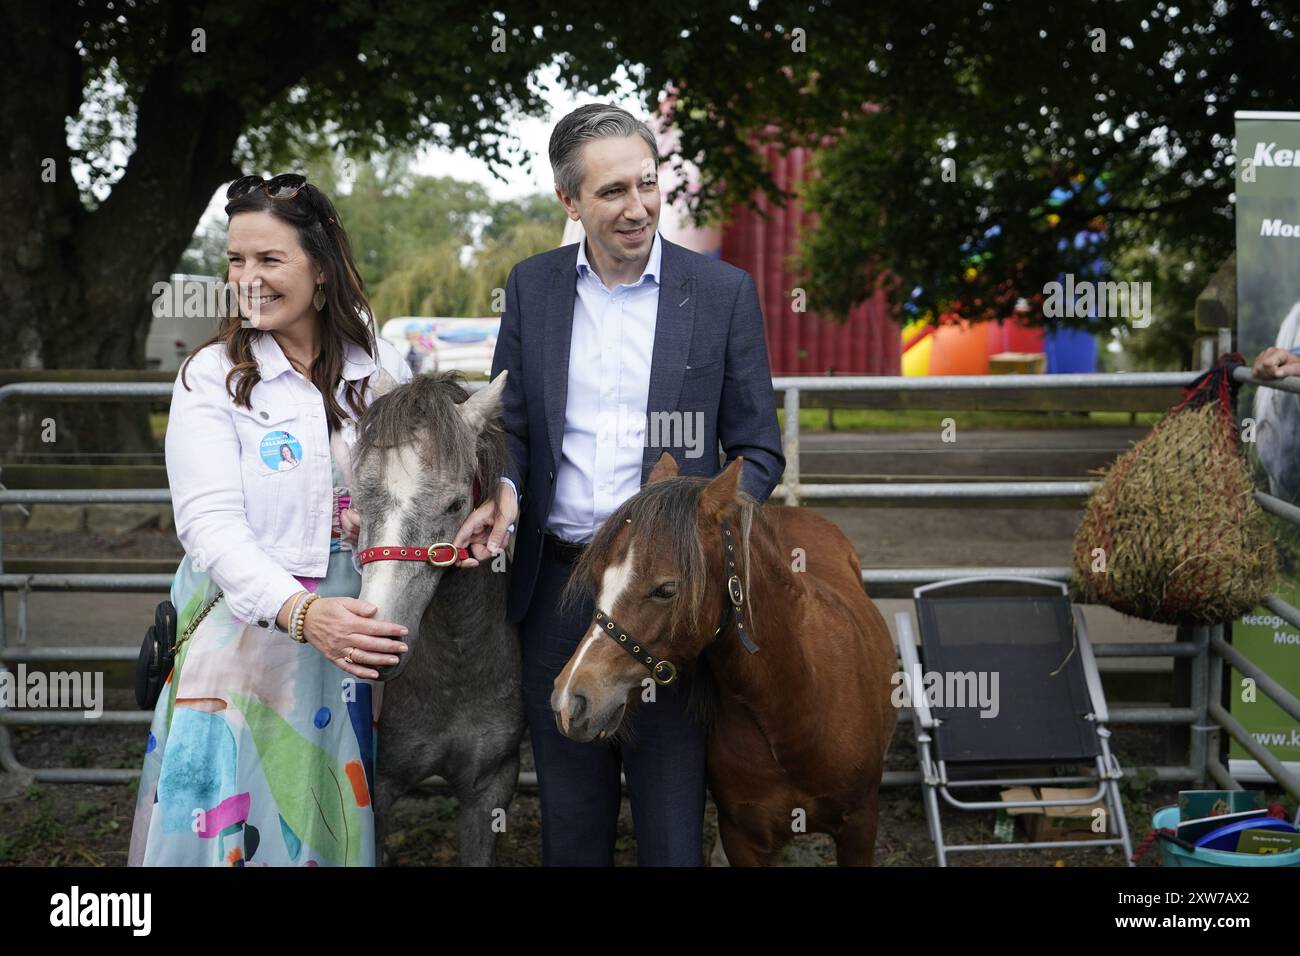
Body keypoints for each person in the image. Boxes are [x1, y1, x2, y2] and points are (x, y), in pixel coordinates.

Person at [453, 103, 785, 866]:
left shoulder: (722, 292)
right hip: (559, 592)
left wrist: (702, 532)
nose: (636, 206)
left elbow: (759, 450)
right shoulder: (531, 288)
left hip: (667, 606)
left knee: (672, 837)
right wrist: (503, 491)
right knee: (571, 831)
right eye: (611, 192)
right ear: (569, 201)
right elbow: (518, 429)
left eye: (647, 183)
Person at [129, 173, 412, 867]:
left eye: (269, 260)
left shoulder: (379, 372)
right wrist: (299, 611)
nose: (247, 279)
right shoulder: (211, 377)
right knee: (223, 821)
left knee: (316, 815)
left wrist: (495, 485)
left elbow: (432, 470)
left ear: (322, 269)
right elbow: (210, 527)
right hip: (241, 638)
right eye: (235, 260)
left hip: (348, 641)